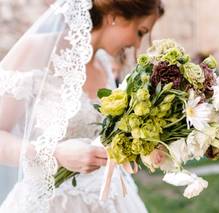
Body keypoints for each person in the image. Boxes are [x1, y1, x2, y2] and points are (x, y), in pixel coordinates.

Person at [0, 0, 164, 212]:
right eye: (140, 32)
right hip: (52, 203)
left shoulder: (105, 65)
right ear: (114, 17)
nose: (136, 44)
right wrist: (55, 153)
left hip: (110, 201)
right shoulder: (37, 50)